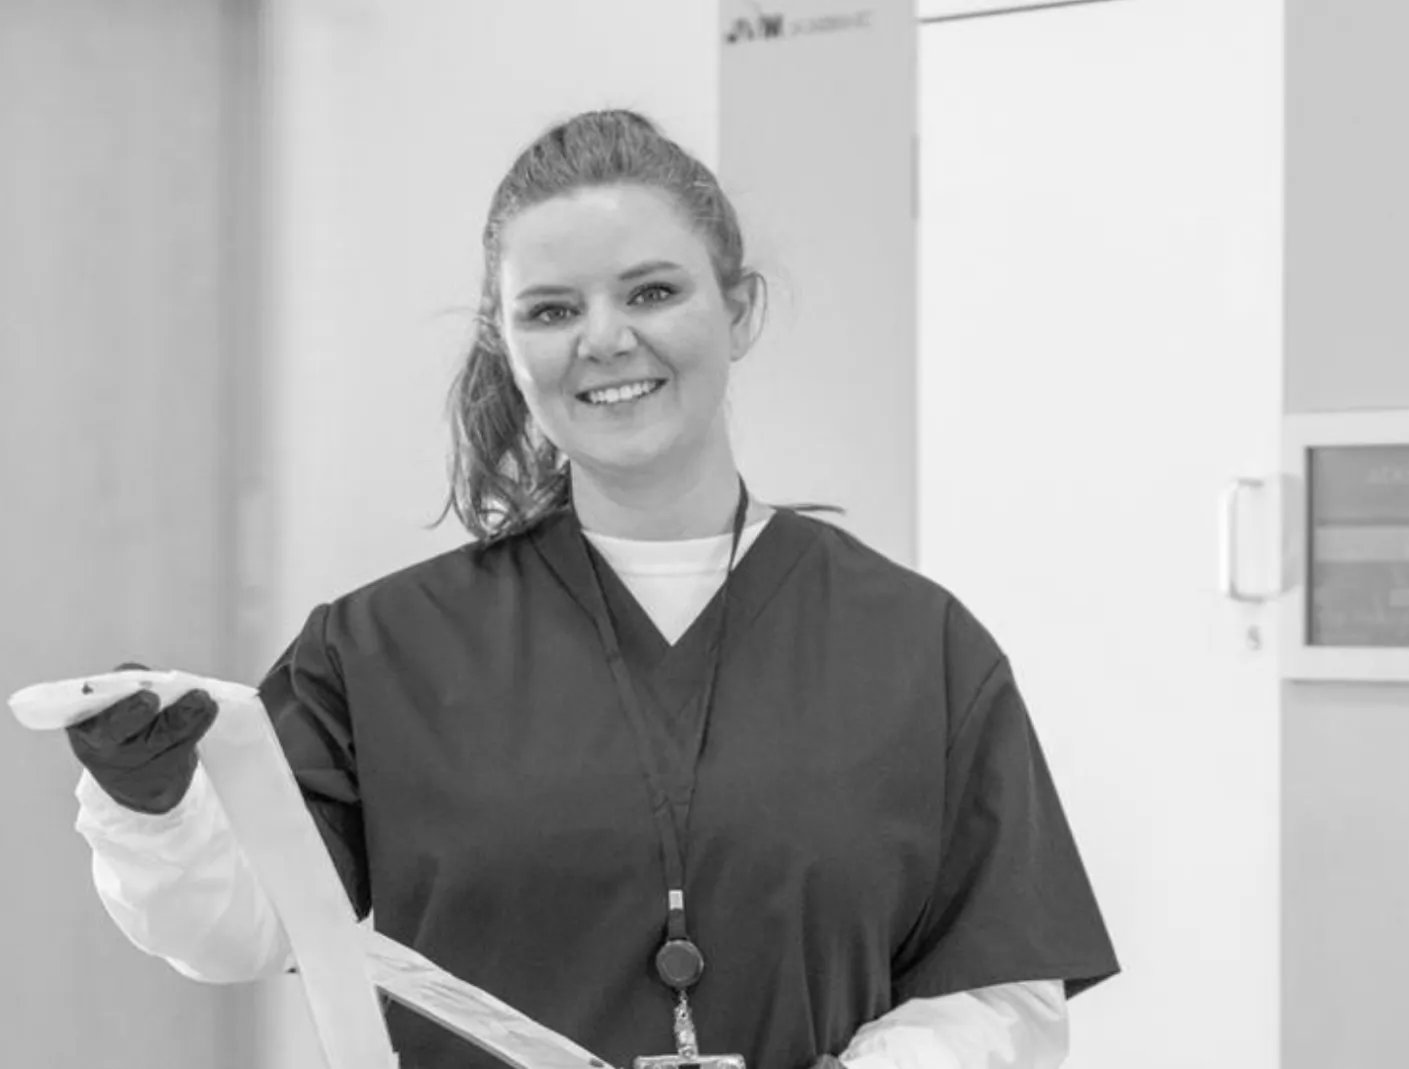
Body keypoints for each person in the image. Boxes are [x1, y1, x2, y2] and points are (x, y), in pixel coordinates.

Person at [62, 109, 1118, 1069]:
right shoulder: (379, 648)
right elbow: (252, 924)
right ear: (506, 345)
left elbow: (1002, 990)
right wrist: (153, 810)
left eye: (653, 291)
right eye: (552, 309)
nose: (605, 339)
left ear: (738, 310)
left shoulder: (916, 647)